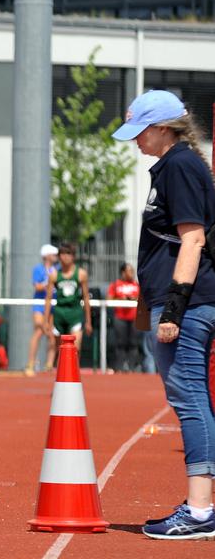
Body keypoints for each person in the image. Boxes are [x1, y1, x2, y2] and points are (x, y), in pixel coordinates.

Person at [113, 90, 215, 539]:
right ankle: (202, 506)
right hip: (182, 301)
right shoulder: (176, 166)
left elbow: (193, 239)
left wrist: (173, 305)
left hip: (188, 305)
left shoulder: (179, 166)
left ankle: (199, 511)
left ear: (162, 129)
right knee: (191, 397)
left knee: (189, 398)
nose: (136, 141)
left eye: (140, 132)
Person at [44, 243, 93, 355]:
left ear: (73, 256)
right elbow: (48, 298)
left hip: (75, 312)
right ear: (59, 256)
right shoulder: (54, 275)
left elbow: (86, 298)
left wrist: (88, 321)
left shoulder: (81, 274)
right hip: (59, 313)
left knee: (75, 349)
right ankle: (61, 371)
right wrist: (46, 321)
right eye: (63, 254)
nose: (65, 256)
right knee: (59, 350)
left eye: (68, 253)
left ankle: (74, 372)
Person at [27, 244, 58, 373]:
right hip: (40, 304)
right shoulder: (38, 269)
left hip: (53, 304)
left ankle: (49, 365)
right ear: (46, 256)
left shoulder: (57, 269)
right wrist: (49, 284)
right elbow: (38, 286)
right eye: (53, 254)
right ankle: (31, 363)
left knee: (52, 335)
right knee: (39, 330)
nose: (56, 257)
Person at [107, 262, 141, 372]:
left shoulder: (136, 285)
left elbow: (142, 299)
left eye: (132, 271)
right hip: (120, 317)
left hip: (134, 318)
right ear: (123, 272)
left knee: (133, 344)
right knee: (120, 343)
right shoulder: (116, 284)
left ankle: (132, 367)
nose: (132, 273)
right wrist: (122, 299)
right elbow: (109, 299)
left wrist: (134, 298)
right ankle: (119, 368)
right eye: (129, 271)